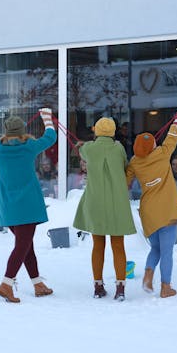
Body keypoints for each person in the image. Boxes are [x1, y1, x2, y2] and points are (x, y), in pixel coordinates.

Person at [0, 109, 57, 303]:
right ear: (22, 131)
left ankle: (38, 284)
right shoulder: (29, 146)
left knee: (26, 246)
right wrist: (47, 118)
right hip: (28, 205)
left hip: (8, 206)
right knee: (22, 246)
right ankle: (6, 284)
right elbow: (50, 137)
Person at [126, 107, 177, 298]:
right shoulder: (163, 154)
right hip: (167, 211)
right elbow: (173, 135)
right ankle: (166, 287)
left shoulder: (134, 162)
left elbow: (125, 181)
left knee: (156, 248)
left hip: (148, 211)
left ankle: (149, 273)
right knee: (167, 251)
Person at [73, 117, 136, 301]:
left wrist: (81, 144)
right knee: (118, 246)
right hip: (117, 203)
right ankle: (121, 288)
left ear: (96, 132)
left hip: (95, 203)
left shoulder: (89, 149)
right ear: (114, 132)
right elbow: (125, 166)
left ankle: (98, 286)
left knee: (97, 245)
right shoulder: (119, 148)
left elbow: (81, 150)